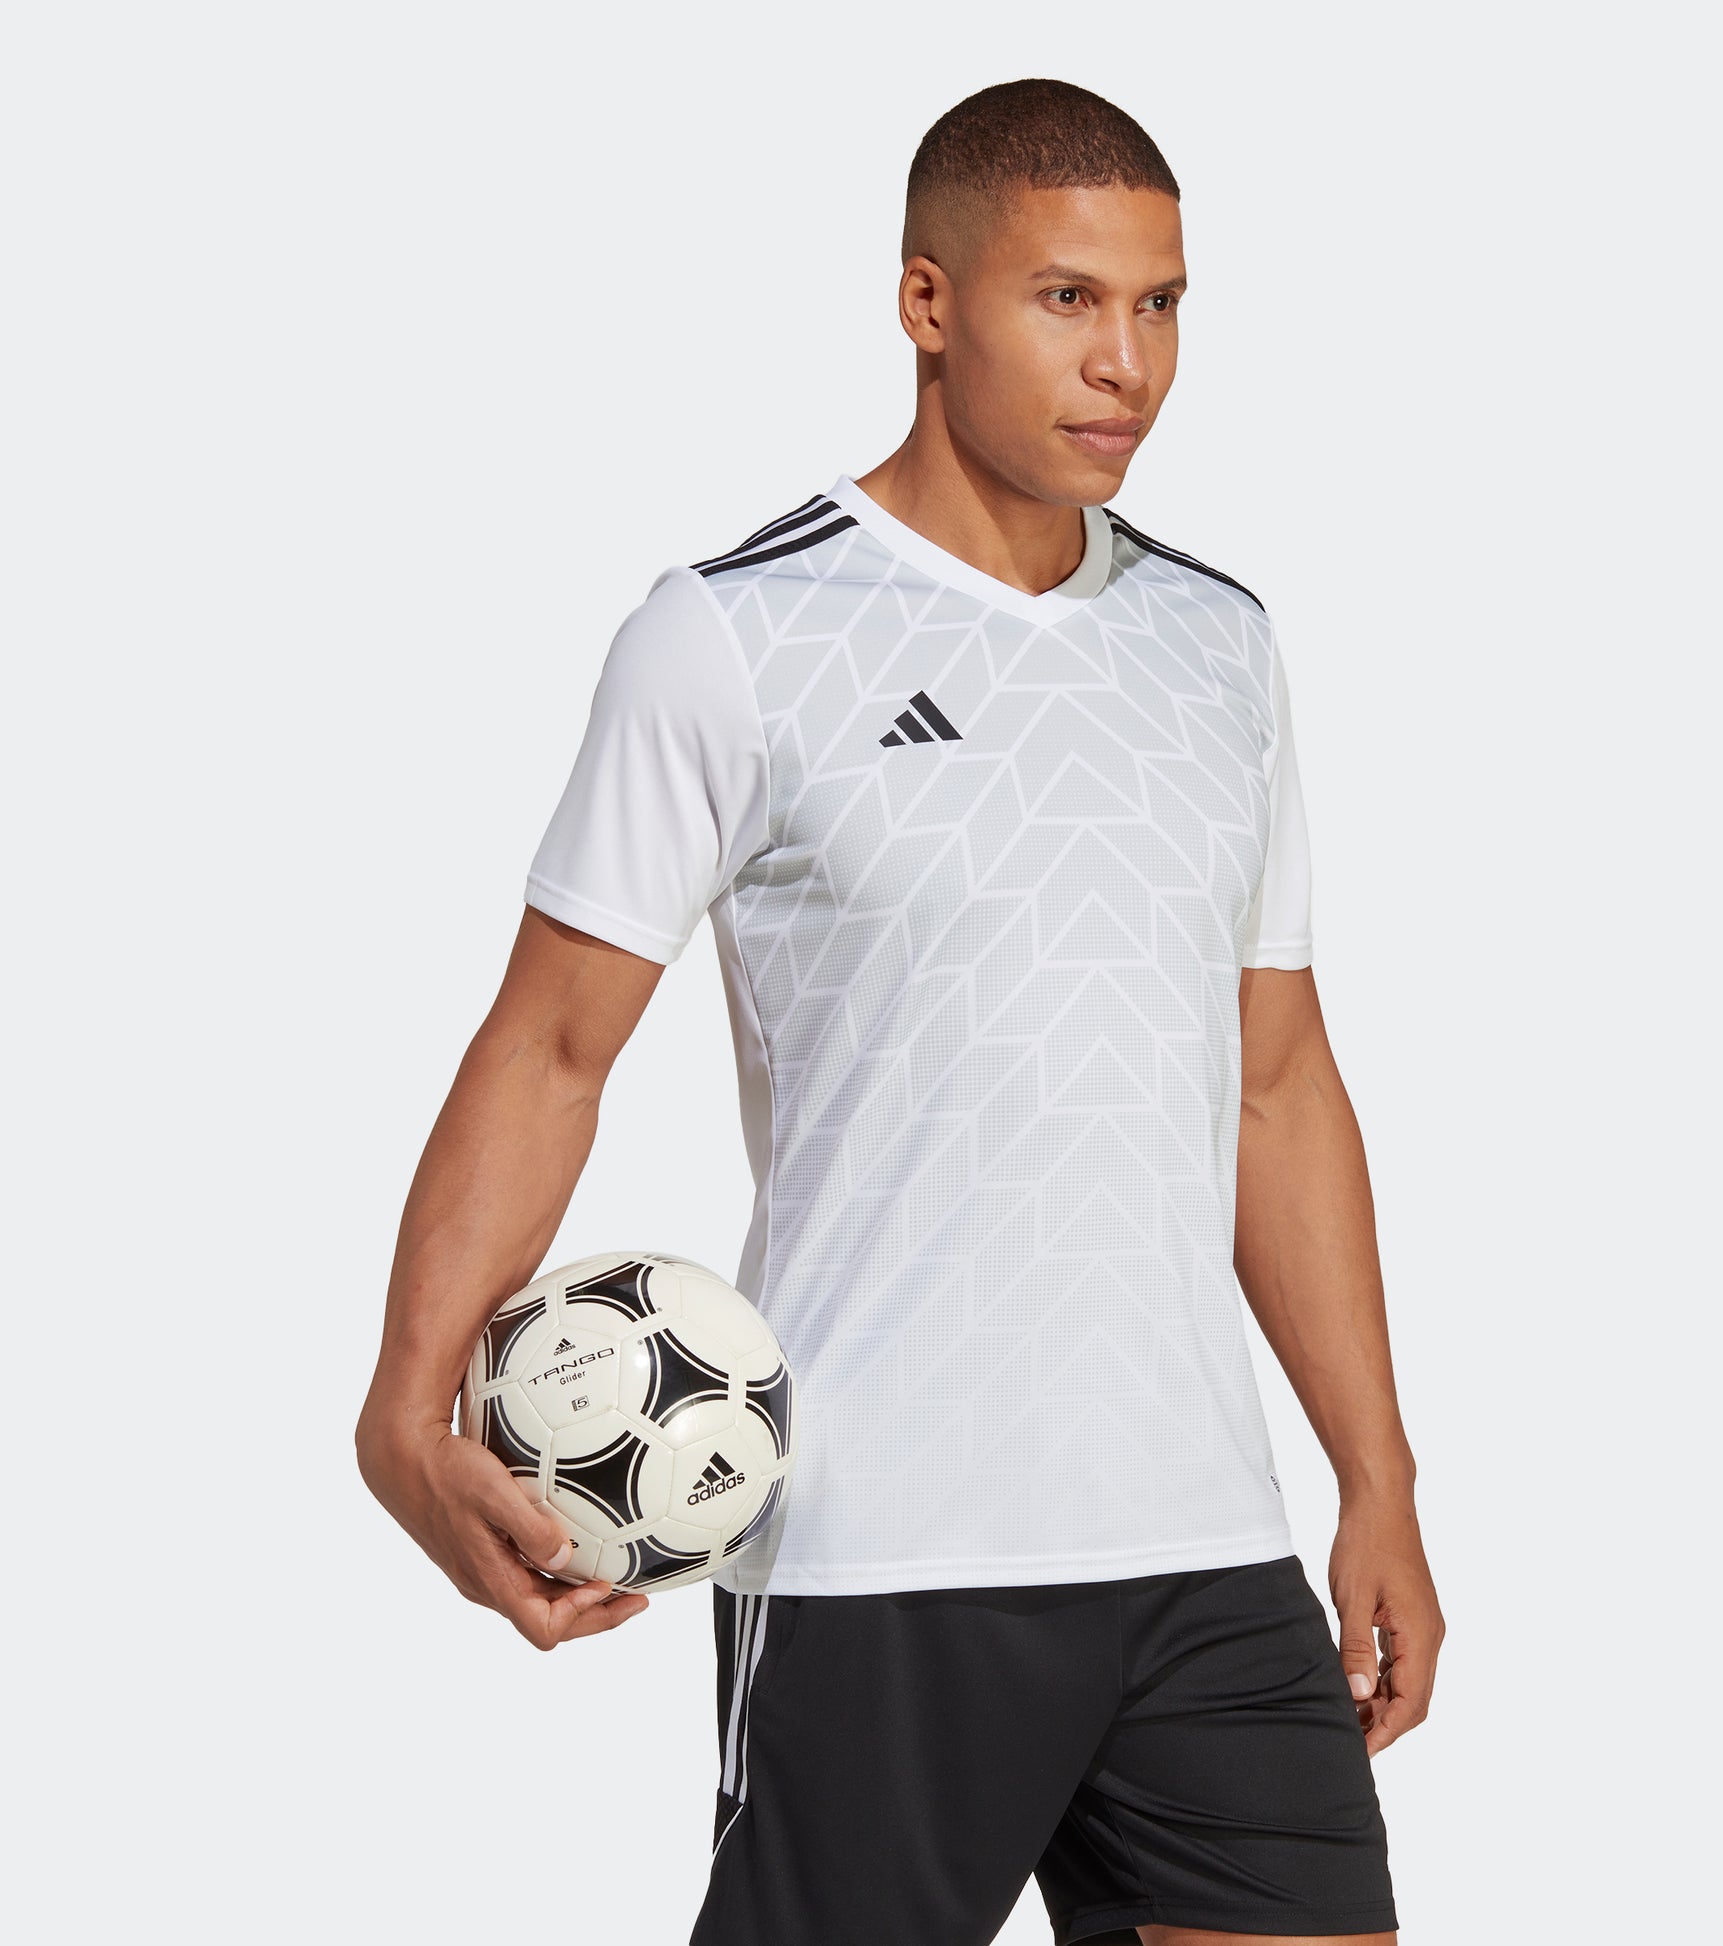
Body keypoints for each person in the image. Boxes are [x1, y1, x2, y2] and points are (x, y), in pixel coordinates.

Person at [357, 76, 1443, 1946]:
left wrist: (1379, 1476)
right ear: (927, 303)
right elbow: (549, 1048)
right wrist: (404, 1402)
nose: (1126, 363)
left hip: (1205, 1547)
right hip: (881, 1549)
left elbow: (1275, 1085)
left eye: (1160, 304)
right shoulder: (733, 633)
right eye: (1066, 298)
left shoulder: (1219, 642)